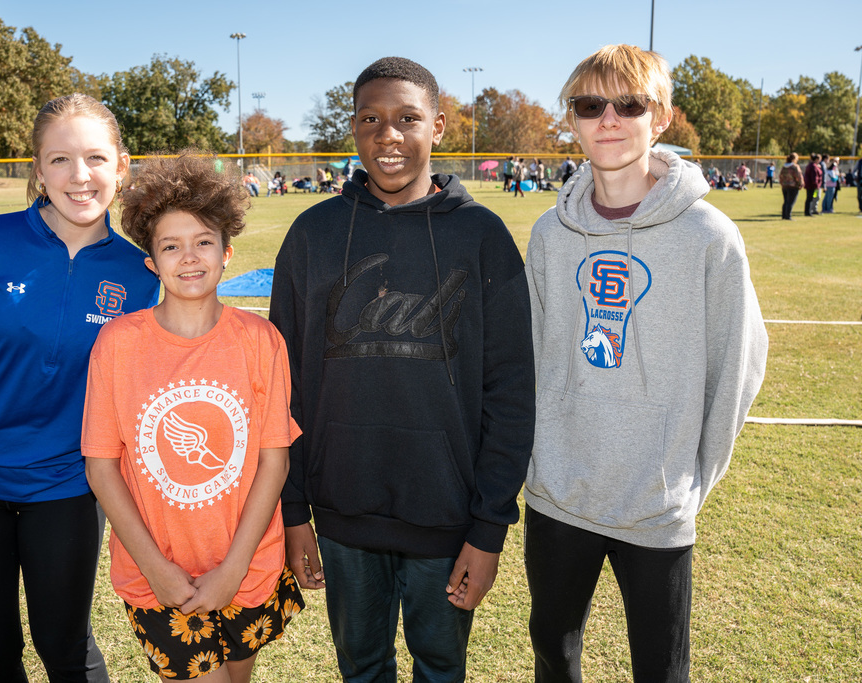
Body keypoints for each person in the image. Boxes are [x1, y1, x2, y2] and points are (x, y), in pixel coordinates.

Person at [269, 56, 535, 682]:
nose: (388, 136)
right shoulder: (313, 234)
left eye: (407, 119)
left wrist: (489, 526)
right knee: (360, 668)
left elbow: (512, 394)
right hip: (343, 512)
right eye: (371, 119)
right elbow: (284, 388)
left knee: (440, 668)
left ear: (438, 126)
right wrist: (295, 510)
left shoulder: (481, 236)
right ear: (353, 128)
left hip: (446, 517)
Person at [523, 45, 768, 682]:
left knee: (661, 671)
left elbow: (737, 367)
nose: (609, 119)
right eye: (589, 105)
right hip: (559, 492)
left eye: (628, 104)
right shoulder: (551, 233)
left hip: (656, 505)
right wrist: (540, 458)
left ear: (659, 117)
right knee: (553, 649)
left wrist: (687, 482)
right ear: (572, 120)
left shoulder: (708, 235)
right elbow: (530, 355)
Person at [0, 93, 161, 682]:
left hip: (68, 491)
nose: (80, 177)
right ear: (37, 169)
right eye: (59, 160)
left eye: (96, 158)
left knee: (66, 650)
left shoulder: (141, 272)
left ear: (121, 167)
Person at [82, 151, 303, 682]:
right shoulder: (117, 344)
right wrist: (156, 568)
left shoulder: (261, 341)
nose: (189, 257)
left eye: (203, 241)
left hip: (246, 567)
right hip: (159, 575)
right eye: (171, 246)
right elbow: (102, 467)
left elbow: (274, 463)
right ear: (151, 262)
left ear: (227, 253)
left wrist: (232, 569)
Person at [778, 152, 804, 220]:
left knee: (786, 201)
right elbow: (799, 176)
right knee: (791, 202)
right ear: (795, 159)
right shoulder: (795, 167)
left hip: (784, 186)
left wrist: (782, 183)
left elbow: (780, 176)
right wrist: (801, 184)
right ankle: (788, 216)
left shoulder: (784, 166)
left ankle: (784, 215)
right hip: (793, 186)